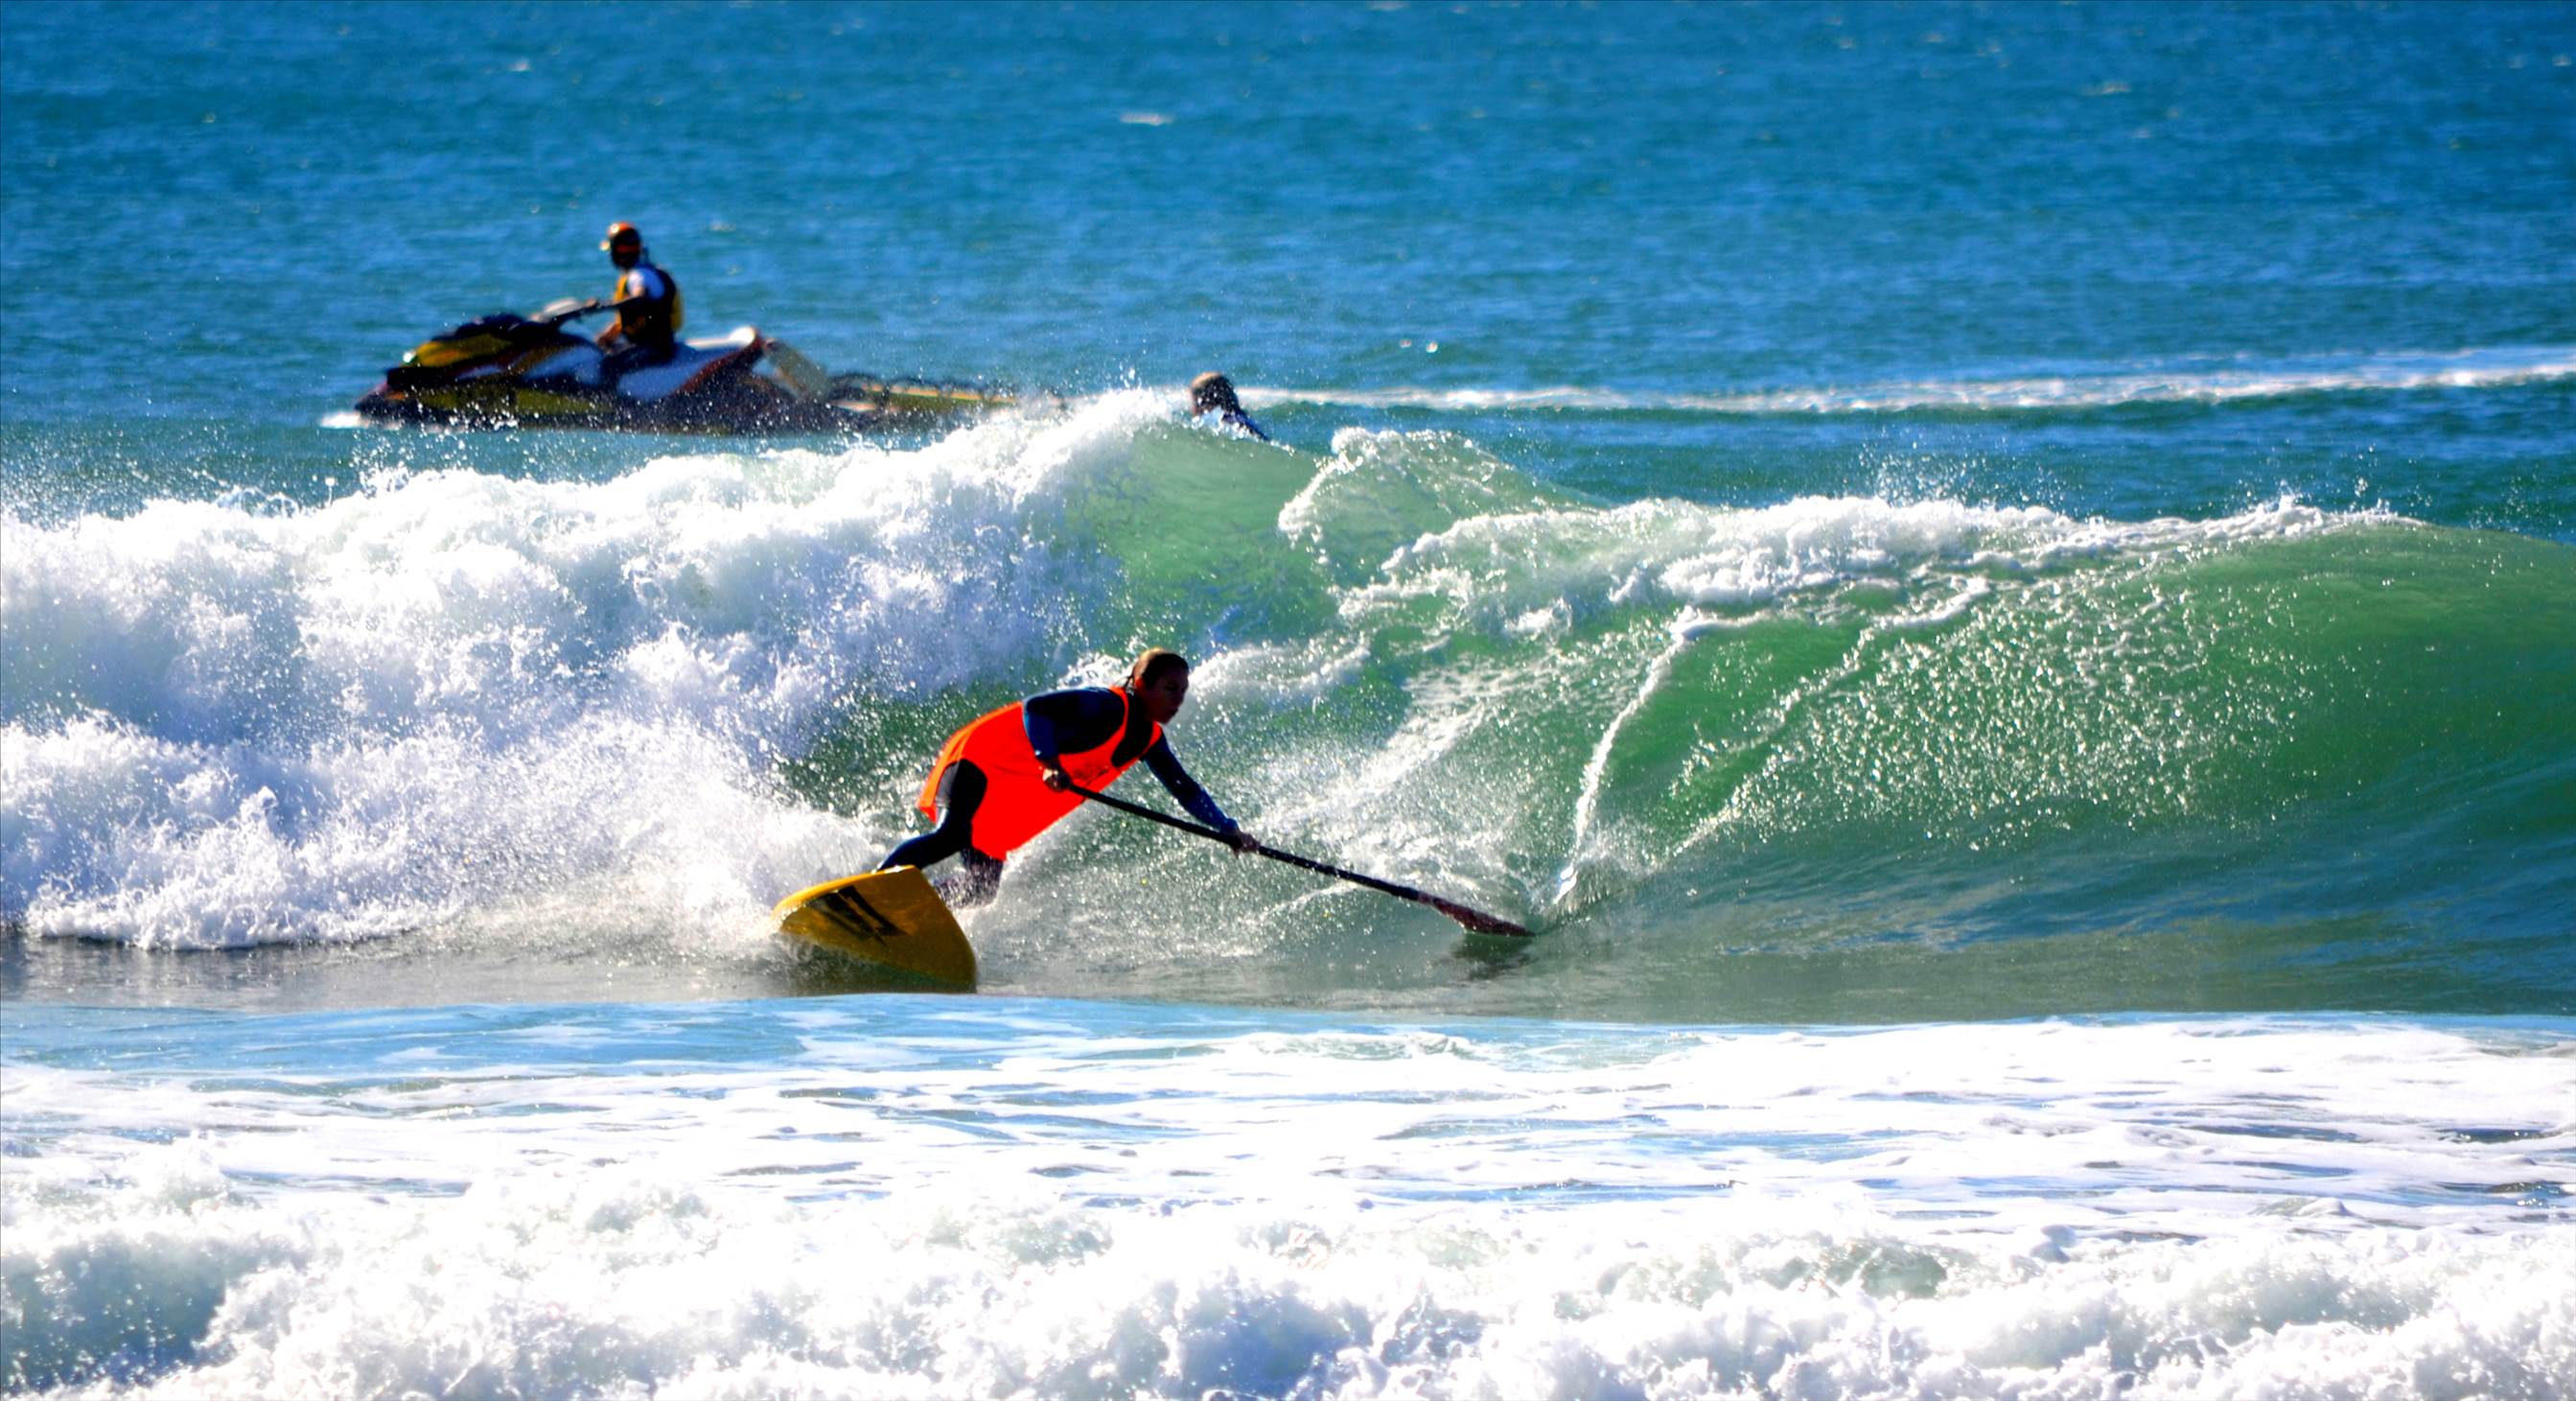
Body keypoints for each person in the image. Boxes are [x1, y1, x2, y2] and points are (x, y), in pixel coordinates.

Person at [881, 649, 1255, 907]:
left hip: (1001, 785)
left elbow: (1186, 790)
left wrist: (1228, 829)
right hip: (981, 756)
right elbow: (1037, 708)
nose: (1178, 700)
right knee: (951, 835)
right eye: (1170, 689)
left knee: (982, 888)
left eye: (1183, 692)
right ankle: (876, 888)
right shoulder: (1107, 705)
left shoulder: (1150, 740)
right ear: (1141, 684)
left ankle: (910, 910)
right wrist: (1049, 762)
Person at [592, 222, 684, 382]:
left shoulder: (639, 276)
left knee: (608, 367)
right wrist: (605, 338)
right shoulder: (644, 272)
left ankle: (607, 398)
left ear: (619, 252)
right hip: (651, 345)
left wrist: (603, 305)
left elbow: (639, 297)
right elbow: (631, 321)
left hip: (656, 349)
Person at [1188, 372, 1271, 441]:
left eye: (1194, 402)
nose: (1193, 408)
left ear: (1204, 402)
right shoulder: (1243, 417)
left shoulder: (1226, 423)